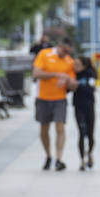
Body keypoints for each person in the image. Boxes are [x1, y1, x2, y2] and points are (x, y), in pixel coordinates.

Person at [32, 38, 77, 171]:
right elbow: (36, 73)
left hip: (60, 98)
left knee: (60, 127)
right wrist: (56, 75)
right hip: (43, 97)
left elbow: (72, 82)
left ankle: (58, 158)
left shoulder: (69, 61)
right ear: (59, 46)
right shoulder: (44, 54)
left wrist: (67, 81)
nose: (65, 53)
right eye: (64, 50)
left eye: (68, 51)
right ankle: (48, 155)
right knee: (44, 129)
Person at [73, 55, 98, 170]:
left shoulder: (90, 74)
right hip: (78, 106)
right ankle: (82, 160)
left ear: (84, 65)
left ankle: (90, 154)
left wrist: (78, 85)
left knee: (90, 134)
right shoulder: (73, 74)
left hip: (89, 105)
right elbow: (68, 88)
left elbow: (91, 89)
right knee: (81, 132)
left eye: (77, 65)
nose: (75, 67)